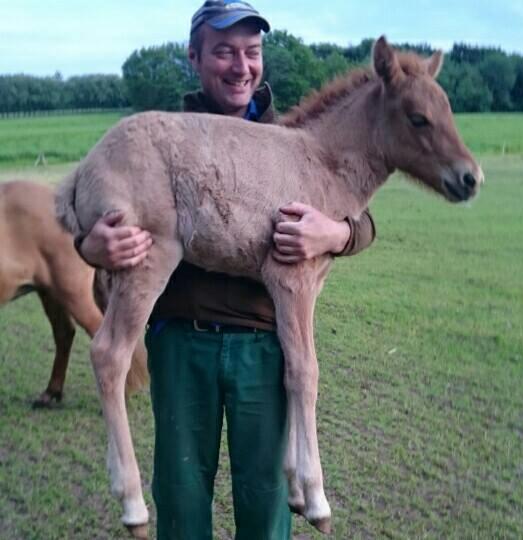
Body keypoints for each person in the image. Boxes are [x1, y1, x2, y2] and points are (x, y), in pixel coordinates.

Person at [77, 2, 376, 538]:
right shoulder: (166, 139)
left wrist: (340, 233)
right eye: (224, 52)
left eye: (252, 52)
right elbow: (103, 223)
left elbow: (356, 210)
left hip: (262, 349)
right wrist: (90, 243)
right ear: (194, 58)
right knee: (183, 506)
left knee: (265, 513)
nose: (241, 66)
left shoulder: (290, 137)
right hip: (182, 344)